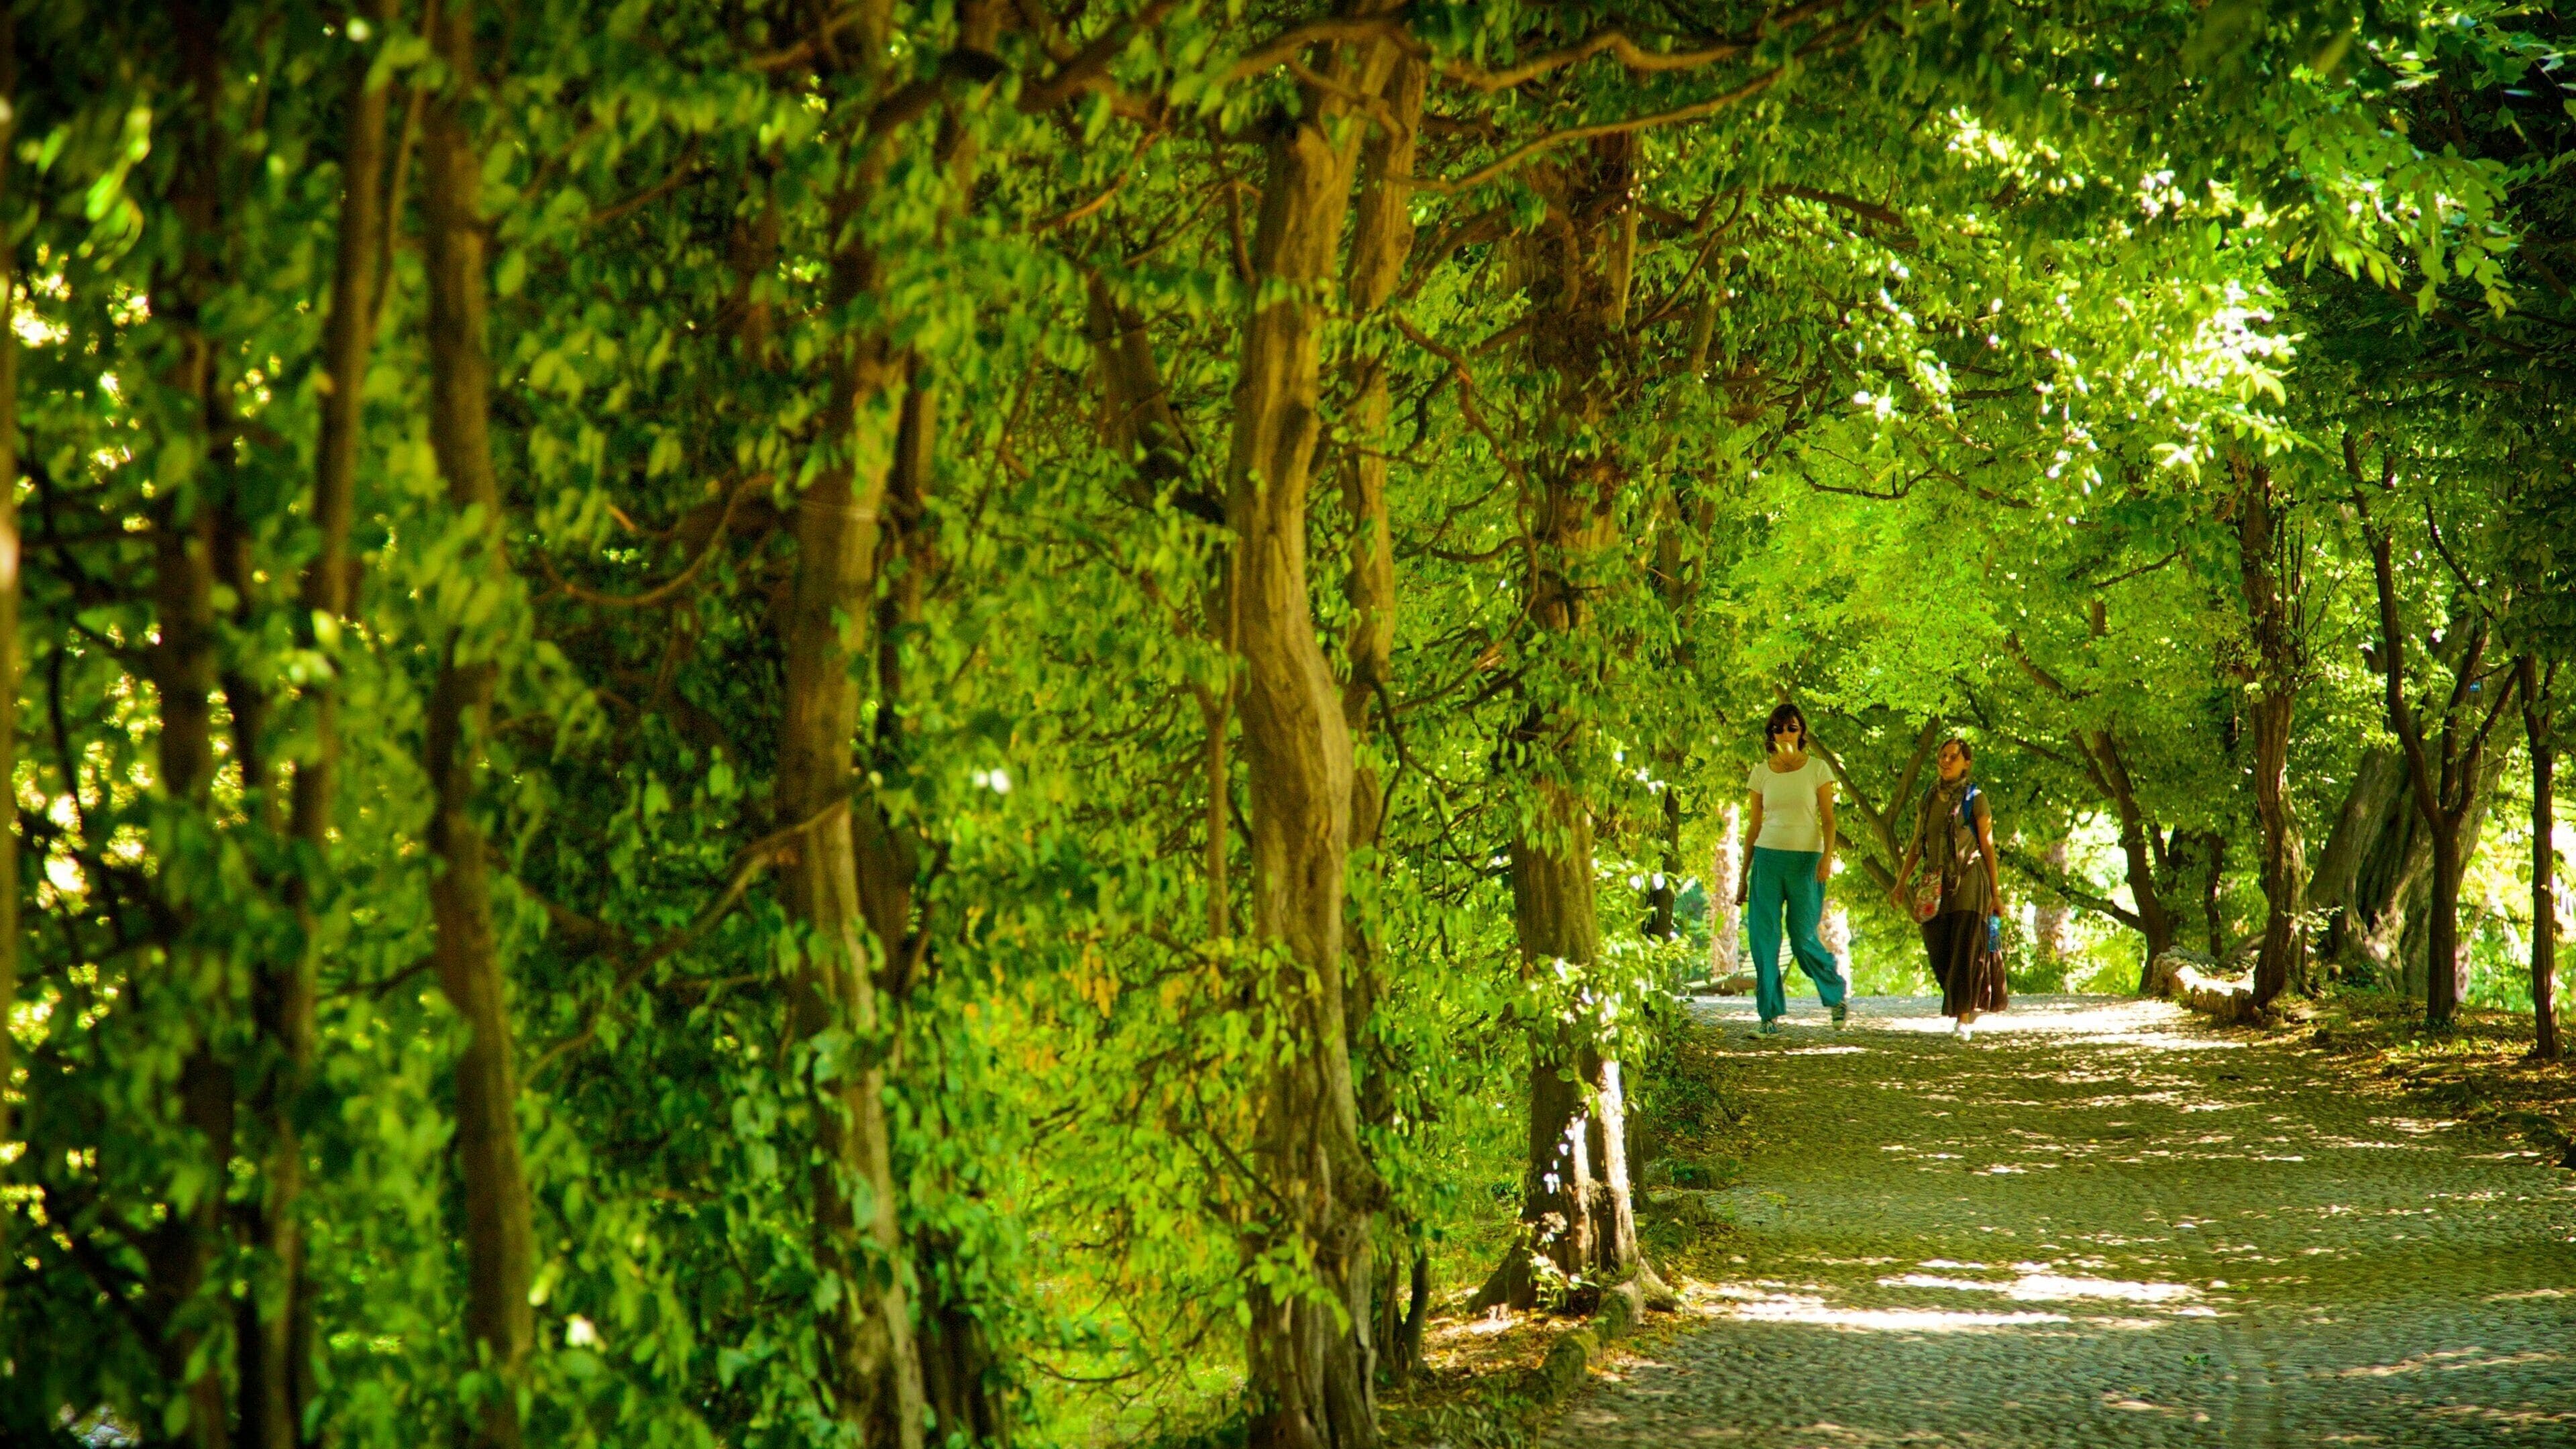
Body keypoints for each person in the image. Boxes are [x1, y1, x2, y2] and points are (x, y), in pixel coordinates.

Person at [1739, 702, 1849, 1035]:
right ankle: (1768, 1018)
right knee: (1764, 940)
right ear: (1770, 734)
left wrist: (1827, 858)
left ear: (1802, 732)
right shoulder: (1760, 772)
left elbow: (1829, 821)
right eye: (1778, 728)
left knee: (1802, 939)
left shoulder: (1817, 769)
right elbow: (1753, 826)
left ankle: (1836, 995)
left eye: (1791, 727)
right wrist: (1743, 877)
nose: (1785, 733)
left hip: (1806, 861)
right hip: (1767, 860)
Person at [1894, 737, 2008, 1040]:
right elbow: (1918, 845)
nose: (1945, 761)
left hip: (1970, 882)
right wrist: (1901, 882)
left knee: (1964, 949)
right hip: (1935, 885)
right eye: (1942, 756)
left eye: (1953, 757)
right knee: (1937, 949)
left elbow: (1987, 847)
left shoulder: (1976, 798)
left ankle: (1962, 1019)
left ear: (1966, 763)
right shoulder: (1929, 798)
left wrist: (1996, 895)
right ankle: (1967, 1001)